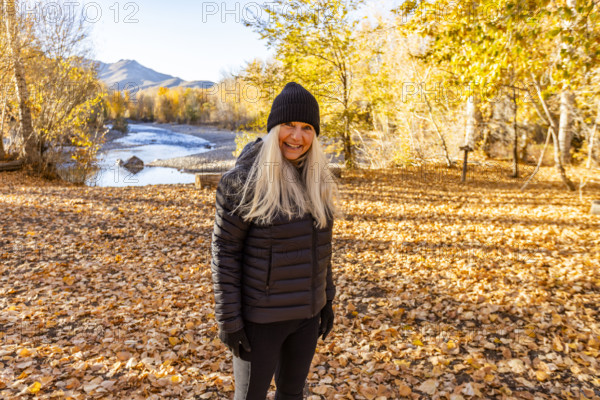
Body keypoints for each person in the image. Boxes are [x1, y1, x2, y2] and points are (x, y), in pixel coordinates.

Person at [211, 82, 343, 400]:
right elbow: (225, 251)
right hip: (260, 320)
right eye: (288, 125)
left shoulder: (318, 180)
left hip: (306, 317)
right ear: (273, 129)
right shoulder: (243, 181)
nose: (297, 137)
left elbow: (319, 250)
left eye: (307, 128)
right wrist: (229, 319)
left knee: (292, 394)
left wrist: (326, 299)